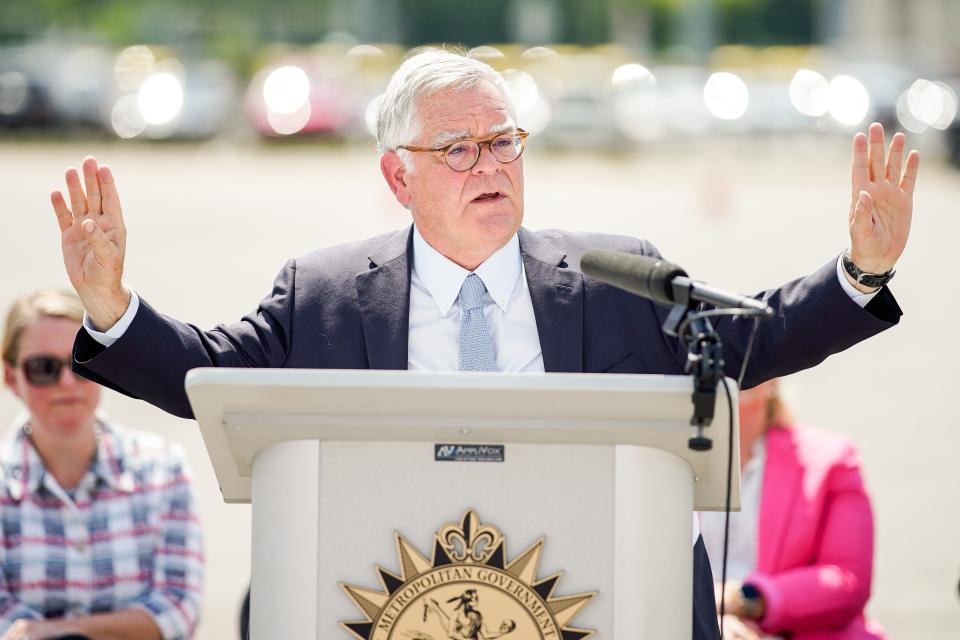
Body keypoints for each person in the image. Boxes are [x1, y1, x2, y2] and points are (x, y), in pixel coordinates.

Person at [48, 50, 919, 640]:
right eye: (459, 150)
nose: (490, 167)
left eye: (503, 143)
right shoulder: (325, 295)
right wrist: (113, 306)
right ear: (399, 175)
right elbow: (208, 374)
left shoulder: (618, 277)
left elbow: (749, 341)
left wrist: (860, 271)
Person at [0, 290, 203, 640]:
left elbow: (178, 609)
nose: (66, 382)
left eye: (81, 363)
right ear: (10, 377)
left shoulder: (163, 468)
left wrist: (56, 630)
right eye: (44, 368)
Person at [701, 379, 885, 639]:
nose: (733, 366)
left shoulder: (831, 458)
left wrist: (745, 600)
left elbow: (847, 581)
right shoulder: (662, 460)